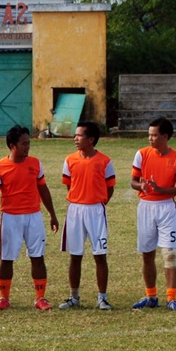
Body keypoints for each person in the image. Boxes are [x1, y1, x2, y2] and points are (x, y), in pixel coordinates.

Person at [0, 125, 59, 311]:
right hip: (10, 218)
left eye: (29, 143)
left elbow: (43, 190)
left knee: (38, 257)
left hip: (34, 217)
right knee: (7, 258)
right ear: (12, 146)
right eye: (24, 144)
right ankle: (4, 298)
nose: (28, 147)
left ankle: (40, 298)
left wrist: (52, 214)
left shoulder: (35, 163)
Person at [130, 116, 176, 311]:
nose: (150, 139)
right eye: (149, 135)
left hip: (166, 208)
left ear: (165, 137)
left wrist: (159, 188)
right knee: (147, 254)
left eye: (154, 135)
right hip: (145, 207)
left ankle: (171, 298)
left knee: (169, 254)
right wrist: (142, 186)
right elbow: (133, 182)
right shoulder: (141, 154)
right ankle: (151, 296)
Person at [58, 121, 116, 310]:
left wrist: (97, 203)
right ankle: (74, 297)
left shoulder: (105, 161)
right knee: (75, 255)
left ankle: (102, 297)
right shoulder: (70, 160)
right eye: (75, 135)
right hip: (75, 210)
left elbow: (110, 188)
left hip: (96, 211)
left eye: (79, 135)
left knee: (100, 255)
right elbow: (69, 185)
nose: (75, 138)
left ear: (91, 139)